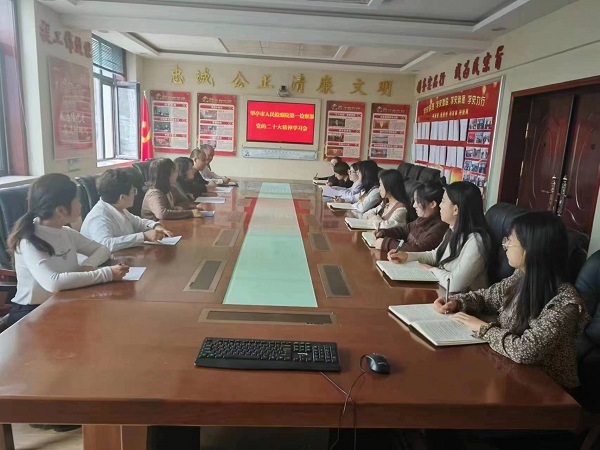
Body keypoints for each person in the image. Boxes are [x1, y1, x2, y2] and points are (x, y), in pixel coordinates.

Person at [434, 211, 590, 390]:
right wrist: (456, 302)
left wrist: (483, 328)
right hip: (509, 370)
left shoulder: (565, 303)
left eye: (510, 241)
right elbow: (485, 297)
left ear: (531, 249)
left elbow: (525, 350)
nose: (505, 246)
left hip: (547, 390)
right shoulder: (520, 277)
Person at [6, 174, 129, 326]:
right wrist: (107, 273)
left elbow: (103, 249)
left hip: (61, 302)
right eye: (76, 200)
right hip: (31, 314)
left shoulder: (66, 232)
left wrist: (88, 265)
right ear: (60, 210)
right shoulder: (29, 240)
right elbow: (53, 283)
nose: (80, 204)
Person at [388, 181, 491, 292]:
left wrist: (431, 269)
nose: (440, 205)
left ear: (455, 210)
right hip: (442, 292)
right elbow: (435, 256)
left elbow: (453, 284)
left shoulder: (476, 242)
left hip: (459, 300)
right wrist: (406, 256)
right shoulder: (453, 230)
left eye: (443, 201)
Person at [81, 169, 173, 252]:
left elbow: (139, 223)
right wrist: (144, 236)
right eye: (133, 191)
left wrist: (156, 226)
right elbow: (106, 245)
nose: (135, 194)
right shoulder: (99, 217)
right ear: (122, 197)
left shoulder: (118, 208)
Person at [374, 180, 448, 252]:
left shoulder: (439, 229)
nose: (414, 205)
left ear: (432, 204)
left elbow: (418, 249)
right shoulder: (422, 219)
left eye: (418, 201)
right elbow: (404, 230)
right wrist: (384, 232)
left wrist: (386, 243)